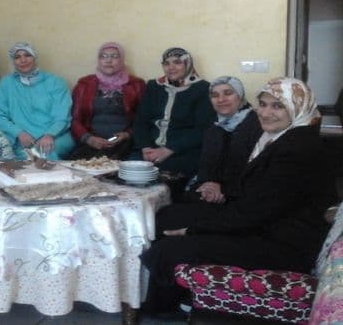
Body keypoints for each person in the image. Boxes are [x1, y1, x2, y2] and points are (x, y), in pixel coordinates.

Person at [140, 77, 337, 318]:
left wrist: (193, 230)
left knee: (169, 248)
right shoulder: (277, 136)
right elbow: (250, 192)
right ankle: (182, 295)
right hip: (261, 223)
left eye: (278, 106)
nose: (265, 113)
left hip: (282, 244)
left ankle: (163, 310)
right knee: (167, 216)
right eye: (262, 104)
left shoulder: (298, 149)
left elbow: (255, 213)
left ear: (298, 107)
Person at [131, 47, 215, 181]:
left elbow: (202, 129)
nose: (171, 67)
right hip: (149, 149)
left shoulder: (203, 89)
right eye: (166, 63)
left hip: (182, 152)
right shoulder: (154, 86)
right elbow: (141, 122)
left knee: (162, 180)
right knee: (127, 174)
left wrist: (168, 149)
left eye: (177, 62)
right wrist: (145, 147)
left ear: (187, 64)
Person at [0, 42, 75, 160]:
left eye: (27, 55)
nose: (23, 60)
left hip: (56, 136)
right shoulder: (6, 83)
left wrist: (50, 134)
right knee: (25, 157)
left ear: (35, 58)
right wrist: (18, 133)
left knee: (44, 153)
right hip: (23, 140)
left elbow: (62, 115)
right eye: (17, 57)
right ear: (13, 61)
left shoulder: (55, 82)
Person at [183, 76, 263, 203]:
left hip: (241, 194)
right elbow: (206, 164)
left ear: (240, 96)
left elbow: (254, 171)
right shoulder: (214, 125)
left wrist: (223, 189)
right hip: (211, 189)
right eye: (215, 95)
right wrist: (207, 184)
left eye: (228, 93)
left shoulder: (256, 124)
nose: (221, 99)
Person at [68, 42, 146, 160]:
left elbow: (144, 119)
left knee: (119, 166)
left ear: (122, 60)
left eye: (115, 56)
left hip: (125, 142)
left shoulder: (136, 85)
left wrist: (127, 134)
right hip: (91, 141)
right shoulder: (84, 84)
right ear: (98, 61)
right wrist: (88, 138)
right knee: (81, 166)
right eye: (104, 56)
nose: (109, 60)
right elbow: (74, 119)